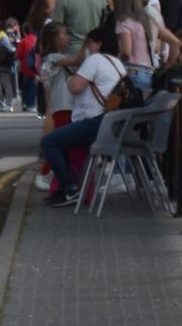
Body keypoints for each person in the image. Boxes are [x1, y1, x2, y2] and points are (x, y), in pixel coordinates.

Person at [41, 23, 129, 207]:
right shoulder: (118, 64)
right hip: (110, 124)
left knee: (49, 142)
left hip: (93, 122)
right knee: (61, 143)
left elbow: (75, 87)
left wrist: (72, 79)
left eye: (90, 44)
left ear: (98, 43)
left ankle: (71, 189)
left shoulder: (95, 60)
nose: (88, 48)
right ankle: (66, 190)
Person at [33, 22, 75, 191]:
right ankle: (45, 174)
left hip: (63, 106)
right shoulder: (54, 58)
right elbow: (76, 60)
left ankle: (54, 175)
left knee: (64, 143)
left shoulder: (53, 59)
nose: (68, 37)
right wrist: (86, 44)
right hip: (63, 106)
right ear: (55, 40)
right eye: (65, 34)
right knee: (62, 143)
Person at [109, 0, 156, 104]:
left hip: (132, 72)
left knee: (128, 114)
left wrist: (117, 59)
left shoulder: (123, 21)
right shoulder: (144, 20)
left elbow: (126, 50)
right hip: (147, 71)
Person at [0, 19, 19, 111]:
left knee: (6, 84)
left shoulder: (3, 36)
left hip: (4, 64)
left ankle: (8, 104)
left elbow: (10, 49)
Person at [17, 21, 39, 114]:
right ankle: (32, 104)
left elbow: (19, 55)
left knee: (25, 86)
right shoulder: (36, 39)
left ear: (23, 31)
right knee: (33, 87)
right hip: (36, 66)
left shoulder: (23, 41)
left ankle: (25, 104)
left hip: (25, 67)